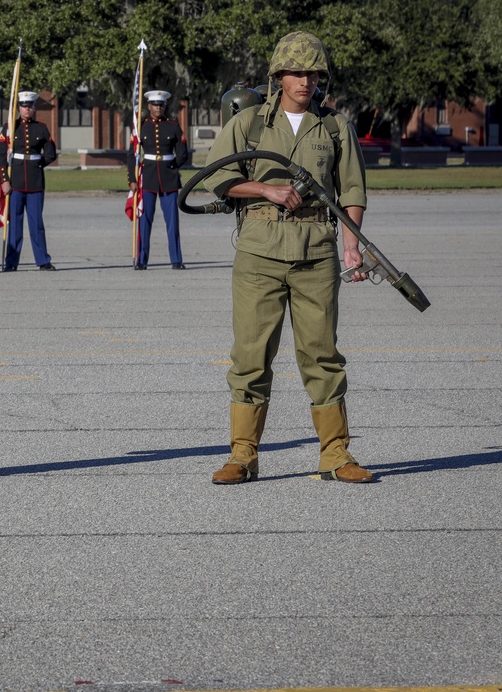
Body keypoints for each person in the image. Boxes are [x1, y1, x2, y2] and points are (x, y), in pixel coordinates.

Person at [201, 31, 374, 485]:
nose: (305, 81)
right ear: (278, 76)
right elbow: (216, 180)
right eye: (297, 72)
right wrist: (265, 188)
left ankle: (336, 455)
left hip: (317, 250)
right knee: (251, 355)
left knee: (322, 355)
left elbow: (352, 188)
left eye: (313, 73)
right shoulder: (250, 123)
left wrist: (352, 244)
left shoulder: (335, 126)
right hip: (259, 250)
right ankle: (242, 456)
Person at [0, 90, 58, 271]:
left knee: (36, 223)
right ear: (18, 108)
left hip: (35, 183)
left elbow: (50, 153)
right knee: (14, 223)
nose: (27, 109)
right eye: (24, 106)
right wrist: (4, 180)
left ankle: (43, 260)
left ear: (34, 108)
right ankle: (11, 262)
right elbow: (0, 155)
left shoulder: (41, 128)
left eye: (30, 106)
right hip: (14, 183)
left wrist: (37, 165)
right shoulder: (10, 128)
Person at [127, 90, 189, 270]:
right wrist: (132, 178)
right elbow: (133, 155)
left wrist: (173, 166)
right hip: (148, 177)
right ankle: (141, 260)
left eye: (161, 105)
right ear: (148, 106)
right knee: (144, 221)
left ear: (164, 106)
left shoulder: (173, 125)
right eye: (155, 104)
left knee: (172, 221)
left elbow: (182, 152)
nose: (158, 108)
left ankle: (176, 259)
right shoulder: (141, 127)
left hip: (169, 178)